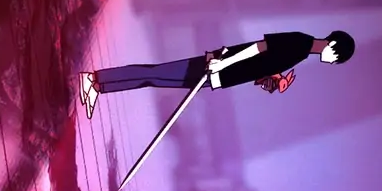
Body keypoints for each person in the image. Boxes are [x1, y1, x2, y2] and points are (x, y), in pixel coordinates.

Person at [78, 29, 355, 119]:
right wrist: (223, 63)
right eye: (336, 58)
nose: (332, 62)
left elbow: (259, 71)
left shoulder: (300, 54)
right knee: (155, 74)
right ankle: (94, 79)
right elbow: (258, 48)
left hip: (221, 77)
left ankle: (99, 86)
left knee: (155, 79)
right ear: (333, 46)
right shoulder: (299, 42)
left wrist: (273, 83)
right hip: (218, 66)